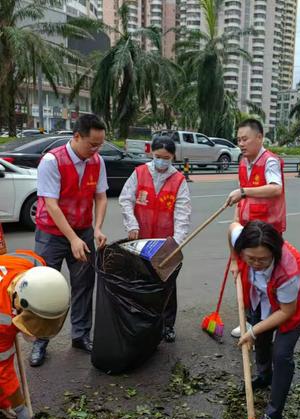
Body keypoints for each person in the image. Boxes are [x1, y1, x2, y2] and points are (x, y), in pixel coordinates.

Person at [31, 113, 108, 366]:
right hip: (51, 234)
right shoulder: (52, 161)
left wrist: (96, 228)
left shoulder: (97, 161)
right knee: (43, 288)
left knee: (84, 283)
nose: (97, 150)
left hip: (83, 229)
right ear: (76, 137)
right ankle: (40, 341)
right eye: (92, 144)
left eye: (100, 144)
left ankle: (81, 335)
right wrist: (73, 239)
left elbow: (101, 197)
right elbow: (51, 205)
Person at [229, 220, 300, 419]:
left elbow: (286, 312)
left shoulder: (288, 272)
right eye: (250, 258)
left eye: (263, 260)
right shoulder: (242, 240)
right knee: (262, 340)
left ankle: (273, 414)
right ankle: (264, 376)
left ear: (274, 254)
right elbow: (231, 227)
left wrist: (252, 331)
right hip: (263, 297)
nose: (256, 263)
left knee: (281, 355)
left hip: (292, 307)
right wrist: (234, 260)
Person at [118, 135, 191, 342]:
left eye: (166, 158)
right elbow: (125, 200)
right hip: (140, 241)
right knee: (141, 282)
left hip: (164, 243)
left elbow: (182, 214)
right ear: (152, 153)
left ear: (173, 157)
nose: (161, 161)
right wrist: (131, 224)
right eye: (158, 156)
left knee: (166, 284)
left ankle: (167, 324)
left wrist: (176, 242)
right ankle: (143, 321)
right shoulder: (139, 173)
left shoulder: (178, 180)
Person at [226, 119, 287, 337]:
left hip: (267, 233)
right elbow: (243, 200)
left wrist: (243, 191)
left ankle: (272, 321)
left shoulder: (270, 161)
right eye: (238, 139)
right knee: (247, 277)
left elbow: (275, 189)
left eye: (245, 139)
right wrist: (235, 222)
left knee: (267, 279)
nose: (241, 144)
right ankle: (252, 322)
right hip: (248, 229)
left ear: (259, 138)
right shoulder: (244, 162)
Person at [0, 250, 69, 419]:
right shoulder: (2, 323)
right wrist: (20, 408)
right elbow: (3, 370)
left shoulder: (34, 265)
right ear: (19, 305)